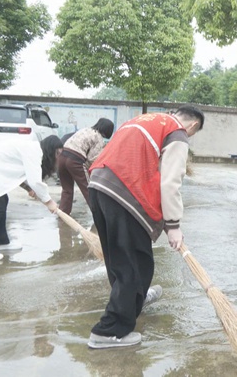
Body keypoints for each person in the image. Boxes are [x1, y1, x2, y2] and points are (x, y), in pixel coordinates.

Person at [86, 105, 204, 349]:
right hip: (124, 192)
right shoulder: (177, 132)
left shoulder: (143, 120)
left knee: (119, 259)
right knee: (136, 262)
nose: (189, 137)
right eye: (193, 134)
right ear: (193, 126)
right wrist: (173, 226)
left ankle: (132, 303)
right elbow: (171, 182)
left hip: (98, 184)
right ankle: (110, 331)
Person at [0, 135, 63, 261]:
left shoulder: (32, 150)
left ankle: (0, 241)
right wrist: (49, 202)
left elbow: (19, 176)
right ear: (50, 149)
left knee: (2, 201)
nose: (59, 157)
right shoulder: (34, 152)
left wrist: (29, 189)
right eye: (58, 153)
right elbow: (35, 181)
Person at [56, 118, 115, 215]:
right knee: (88, 190)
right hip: (75, 160)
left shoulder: (85, 130)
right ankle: (99, 215)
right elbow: (92, 159)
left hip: (62, 156)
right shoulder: (98, 138)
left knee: (67, 190)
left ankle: (63, 215)